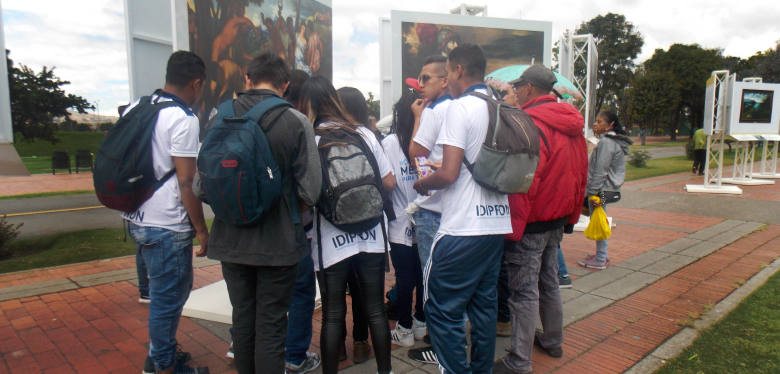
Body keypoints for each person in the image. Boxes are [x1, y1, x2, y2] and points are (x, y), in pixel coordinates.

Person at [201, 52, 322, 374]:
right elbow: (311, 190)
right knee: (271, 325)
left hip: (230, 238)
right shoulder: (296, 121)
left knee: (242, 319)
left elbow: (202, 187)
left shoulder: (219, 117)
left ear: (247, 78)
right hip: (278, 242)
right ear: (285, 84)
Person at [412, 44, 512, 374]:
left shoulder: (460, 107)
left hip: (462, 227)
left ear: (456, 70)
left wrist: (424, 184)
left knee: (441, 310)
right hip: (496, 224)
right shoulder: (499, 105)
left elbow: (449, 173)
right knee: (484, 307)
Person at [492, 65, 588, 374]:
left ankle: (519, 361)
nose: (516, 91)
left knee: (523, 291)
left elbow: (525, 182)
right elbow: (581, 175)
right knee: (548, 283)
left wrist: (514, 229)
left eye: (519, 86)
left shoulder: (530, 124)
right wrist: (571, 215)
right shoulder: (572, 124)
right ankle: (552, 339)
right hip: (556, 218)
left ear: (530, 88)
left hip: (532, 220)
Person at [121, 51, 210, 374]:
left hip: (136, 216)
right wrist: (201, 230)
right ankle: (162, 366)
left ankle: (163, 351)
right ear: (196, 83)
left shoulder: (137, 107)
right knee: (168, 299)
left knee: (163, 295)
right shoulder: (183, 119)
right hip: (167, 225)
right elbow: (187, 182)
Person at [302, 76, 395, 374]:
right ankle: (386, 371)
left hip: (330, 238)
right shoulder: (364, 134)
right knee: (376, 311)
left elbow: (305, 197)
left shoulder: (310, 140)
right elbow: (389, 182)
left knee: (331, 315)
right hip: (371, 233)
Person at [405, 54, 452, 364]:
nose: (420, 85)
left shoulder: (435, 111)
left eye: (426, 78)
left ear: (445, 79)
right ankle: (451, 342)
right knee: (453, 281)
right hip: (456, 211)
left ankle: (439, 346)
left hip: (432, 209)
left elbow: (416, 156)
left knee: (433, 280)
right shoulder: (465, 108)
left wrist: (418, 119)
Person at [335, 86, 378, 363]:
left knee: (334, 290)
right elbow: (386, 181)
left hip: (333, 229)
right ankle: (361, 343)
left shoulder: (322, 136)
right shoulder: (368, 137)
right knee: (363, 290)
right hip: (367, 227)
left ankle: (337, 346)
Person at [383, 89, 427, 348]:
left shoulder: (390, 143)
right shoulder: (427, 139)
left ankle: (405, 327)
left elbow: (387, 183)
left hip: (400, 220)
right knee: (422, 274)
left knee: (404, 275)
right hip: (426, 217)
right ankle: (421, 321)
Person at [578, 111, 632, 270]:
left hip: (599, 190)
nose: (595, 124)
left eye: (600, 122)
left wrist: (592, 192)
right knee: (600, 221)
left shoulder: (607, 143)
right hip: (604, 188)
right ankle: (601, 255)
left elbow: (600, 170)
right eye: (596, 121)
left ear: (610, 126)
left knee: (600, 222)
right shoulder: (612, 141)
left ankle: (600, 259)